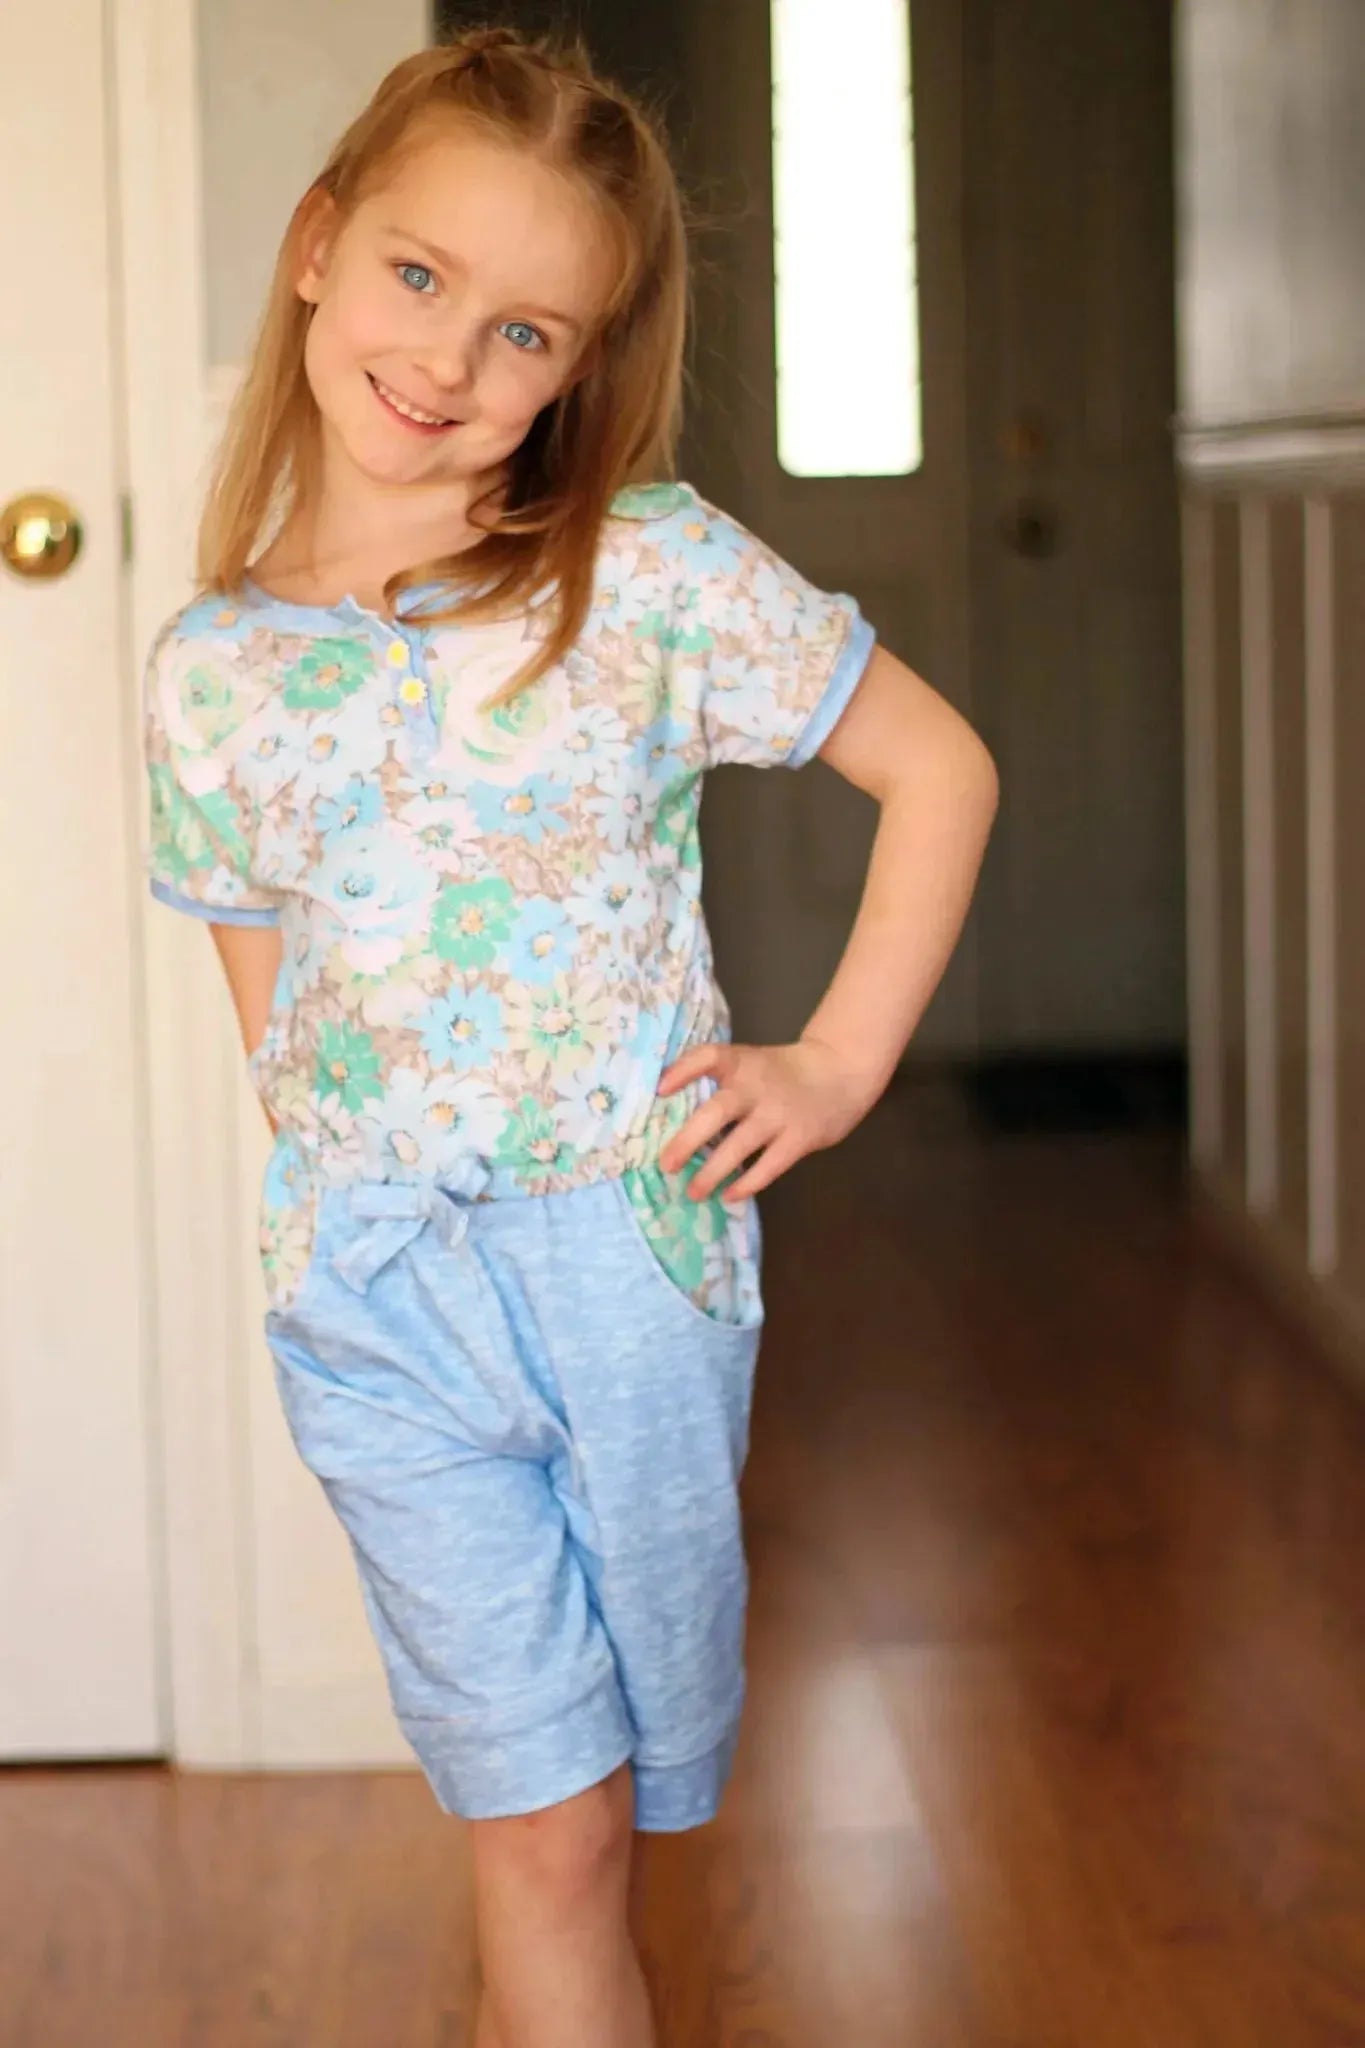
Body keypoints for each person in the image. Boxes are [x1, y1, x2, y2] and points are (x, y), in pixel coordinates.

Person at [142, 25, 997, 2048]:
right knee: (538, 1824)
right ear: (317, 247)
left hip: (632, 1274)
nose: (447, 359)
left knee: (612, 1812)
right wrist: (336, 1192)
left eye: (523, 331)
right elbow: (264, 979)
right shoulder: (214, 669)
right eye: (418, 275)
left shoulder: (646, 572)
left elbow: (936, 767)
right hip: (381, 1306)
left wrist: (835, 1063)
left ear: (578, 366)